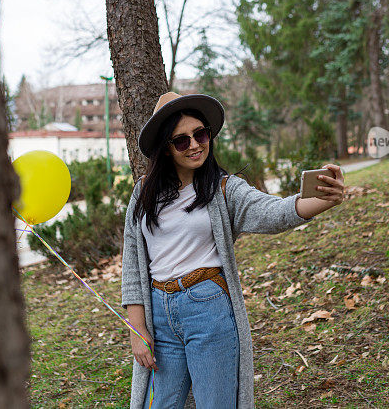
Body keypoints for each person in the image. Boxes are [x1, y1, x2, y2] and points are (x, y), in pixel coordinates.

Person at [121, 92, 345, 409]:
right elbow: (132, 262)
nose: (195, 145)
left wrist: (323, 199)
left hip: (207, 307)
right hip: (158, 312)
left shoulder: (224, 189)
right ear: (167, 149)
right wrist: (137, 330)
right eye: (182, 141)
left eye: (200, 134)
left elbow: (274, 213)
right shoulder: (144, 192)